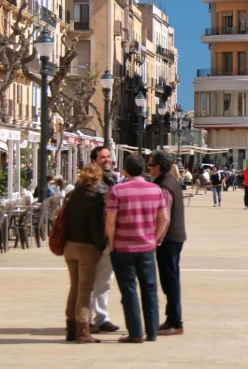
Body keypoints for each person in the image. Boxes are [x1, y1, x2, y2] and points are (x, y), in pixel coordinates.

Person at [105, 154, 170, 343]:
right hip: (147, 247)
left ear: (125, 170)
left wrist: (112, 242)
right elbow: (164, 218)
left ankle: (135, 332)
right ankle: (152, 331)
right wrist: (154, 239)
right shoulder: (155, 190)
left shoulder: (117, 191)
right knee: (149, 289)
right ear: (143, 169)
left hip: (123, 247)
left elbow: (110, 222)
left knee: (129, 290)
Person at [63, 164, 107, 344]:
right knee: (85, 289)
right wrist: (102, 245)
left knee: (74, 286)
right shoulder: (95, 197)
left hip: (70, 246)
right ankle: (83, 329)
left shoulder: (73, 194)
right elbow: (97, 227)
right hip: (87, 247)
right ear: (97, 177)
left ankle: (70, 326)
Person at [148, 151, 187, 337]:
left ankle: (176, 322)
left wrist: (155, 241)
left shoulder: (164, 186)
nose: (148, 168)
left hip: (169, 240)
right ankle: (171, 318)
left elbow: (164, 218)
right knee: (170, 280)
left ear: (158, 167)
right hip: (175, 238)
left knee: (170, 281)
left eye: (151, 165)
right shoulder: (170, 182)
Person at [88, 146, 121, 335]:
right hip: (93, 240)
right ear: (94, 160)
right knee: (88, 282)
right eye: (102, 157)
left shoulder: (109, 179)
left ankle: (101, 318)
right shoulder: (91, 182)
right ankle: (87, 318)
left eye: (108, 157)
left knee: (105, 280)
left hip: (107, 238)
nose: (107, 160)